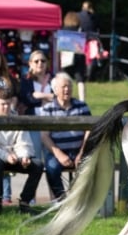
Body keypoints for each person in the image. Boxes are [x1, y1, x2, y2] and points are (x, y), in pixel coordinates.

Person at [39, 72, 91, 200]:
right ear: (55, 90)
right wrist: (59, 154)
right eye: (63, 87)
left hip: (79, 150)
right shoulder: (47, 109)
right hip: (57, 151)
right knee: (51, 168)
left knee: (91, 166)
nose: (67, 89)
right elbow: (44, 136)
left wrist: (82, 152)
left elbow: (89, 131)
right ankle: (61, 201)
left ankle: (81, 200)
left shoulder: (82, 106)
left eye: (69, 86)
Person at [0, 88, 43, 214]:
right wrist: (7, 156)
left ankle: (25, 203)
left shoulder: (16, 118)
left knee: (38, 165)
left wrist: (24, 156)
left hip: (15, 157)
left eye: (8, 103)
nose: (6, 107)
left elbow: (23, 141)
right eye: (2, 104)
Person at [17, 50, 54, 160]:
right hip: (33, 123)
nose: (40, 63)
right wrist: (46, 97)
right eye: (36, 61)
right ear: (30, 63)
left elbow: (58, 98)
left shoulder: (53, 79)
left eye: (43, 61)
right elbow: (27, 99)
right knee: (36, 159)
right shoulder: (25, 80)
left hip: (53, 123)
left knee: (51, 160)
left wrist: (38, 95)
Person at [0, 48, 21, 206]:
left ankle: (6, 196)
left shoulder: (7, 79)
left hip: (6, 116)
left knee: (7, 150)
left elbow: (14, 97)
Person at [60, 10, 87, 101]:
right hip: (79, 56)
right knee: (80, 80)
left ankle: (65, 97)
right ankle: (82, 99)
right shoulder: (80, 29)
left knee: (65, 78)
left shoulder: (63, 30)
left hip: (66, 57)